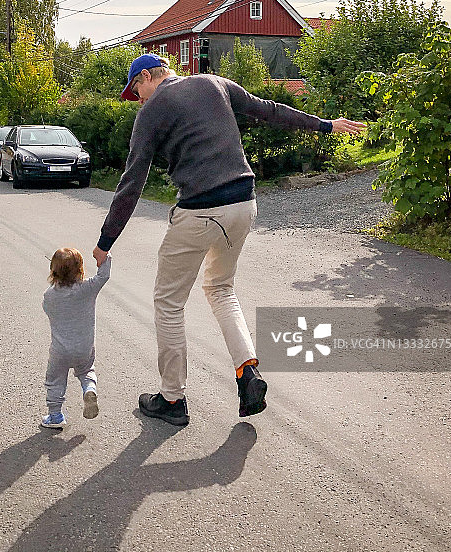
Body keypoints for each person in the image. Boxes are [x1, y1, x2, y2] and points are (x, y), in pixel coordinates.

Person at [93, 53, 365, 426]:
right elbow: (268, 110)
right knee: (220, 287)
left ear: (147, 76)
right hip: (243, 204)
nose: (137, 98)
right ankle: (247, 373)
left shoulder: (152, 110)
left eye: (135, 89)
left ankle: (172, 399)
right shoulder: (213, 83)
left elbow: (132, 182)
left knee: (169, 302)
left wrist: (105, 240)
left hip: (200, 210)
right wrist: (324, 125)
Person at [41, 247, 111, 428]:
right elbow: (103, 276)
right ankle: (89, 389)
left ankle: (55, 416)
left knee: (55, 380)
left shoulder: (50, 296)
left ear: (53, 271)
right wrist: (105, 256)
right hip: (84, 348)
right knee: (86, 371)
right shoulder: (87, 288)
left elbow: (47, 310)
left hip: (60, 351)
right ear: (80, 269)